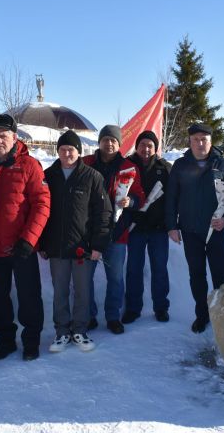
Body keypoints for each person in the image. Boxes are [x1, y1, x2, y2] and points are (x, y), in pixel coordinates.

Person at [0, 114, 50, 362]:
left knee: (29, 296)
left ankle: (31, 341)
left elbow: (42, 204)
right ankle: (6, 341)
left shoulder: (30, 165)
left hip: (22, 247)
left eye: (4, 136)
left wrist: (29, 240)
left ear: (14, 137)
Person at [165, 123, 224, 333]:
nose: (201, 143)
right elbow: (171, 197)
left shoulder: (223, 164)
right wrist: (172, 226)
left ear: (211, 141)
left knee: (220, 275)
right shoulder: (180, 166)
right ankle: (202, 315)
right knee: (197, 275)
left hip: (216, 231)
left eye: (204, 139)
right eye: (196, 139)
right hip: (191, 231)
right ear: (190, 142)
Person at [39, 130, 112, 352]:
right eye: (62, 149)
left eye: (71, 149)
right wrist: (41, 243)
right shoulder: (48, 176)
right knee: (60, 290)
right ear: (57, 151)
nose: (67, 153)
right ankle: (61, 332)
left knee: (82, 291)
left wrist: (98, 245)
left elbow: (104, 213)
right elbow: (39, 210)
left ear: (79, 152)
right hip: (57, 247)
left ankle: (80, 330)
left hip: (83, 248)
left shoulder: (92, 176)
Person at [82, 125, 145, 334]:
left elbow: (140, 195)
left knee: (116, 278)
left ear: (119, 144)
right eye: (105, 139)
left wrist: (132, 201)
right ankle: (89, 316)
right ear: (99, 142)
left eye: (113, 141)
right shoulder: (86, 163)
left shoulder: (128, 167)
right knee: (85, 278)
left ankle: (112, 316)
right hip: (88, 232)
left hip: (117, 232)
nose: (109, 144)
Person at [123, 130, 172, 324]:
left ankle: (161, 307)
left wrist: (170, 224)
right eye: (142, 144)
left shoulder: (165, 167)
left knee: (159, 268)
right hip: (135, 229)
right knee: (134, 269)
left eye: (150, 145)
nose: (146, 148)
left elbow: (172, 198)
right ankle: (133, 308)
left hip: (159, 229)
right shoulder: (127, 165)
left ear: (155, 148)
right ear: (137, 146)